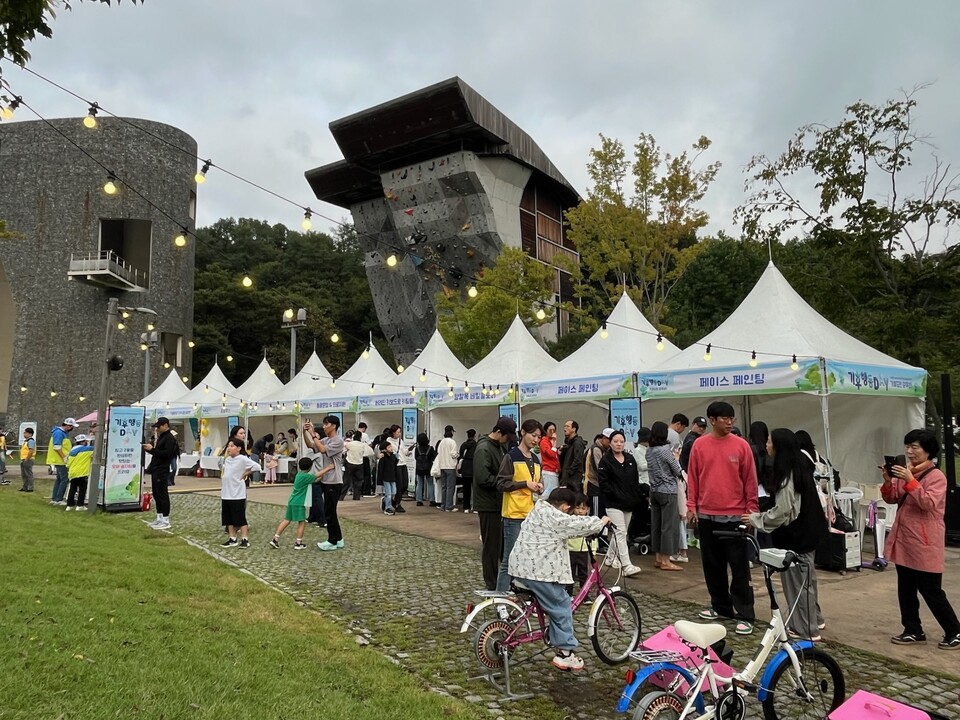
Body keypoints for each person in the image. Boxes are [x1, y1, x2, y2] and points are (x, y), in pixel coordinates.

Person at [508, 486, 608, 671]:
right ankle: (565, 654)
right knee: (561, 604)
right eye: (570, 511)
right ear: (564, 507)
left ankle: (553, 634)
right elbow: (576, 524)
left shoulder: (538, 510)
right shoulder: (556, 518)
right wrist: (601, 522)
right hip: (537, 572)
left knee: (551, 602)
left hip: (519, 567)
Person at [743, 428, 828, 641]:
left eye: (770, 441)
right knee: (807, 582)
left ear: (779, 446)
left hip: (797, 537)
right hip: (809, 533)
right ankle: (813, 619)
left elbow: (783, 510)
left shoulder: (787, 474)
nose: (767, 445)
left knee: (797, 584)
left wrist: (756, 519)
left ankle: (805, 629)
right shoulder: (800, 464)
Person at [882, 428, 960, 650]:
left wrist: (910, 480)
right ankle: (912, 629)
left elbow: (927, 503)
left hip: (925, 541)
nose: (909, 451)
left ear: (928, 451)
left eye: (915, 447)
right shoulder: (906, 471)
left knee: (931, 590)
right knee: (905, 588)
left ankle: (955, 630)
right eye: (907, 447)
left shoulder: (937, 477)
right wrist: (888, 482)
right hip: (904, 539)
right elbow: (892, 498)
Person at [686, 401, 759, 634]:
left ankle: (745, 613)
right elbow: (693, 478)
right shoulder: (699, 445)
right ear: (712, 420)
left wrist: (751, 509)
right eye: (725, 418)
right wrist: (691, 506)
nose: (729, 422)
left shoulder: (741, 446)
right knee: (712, 565)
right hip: (707, 515)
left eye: (732, 419)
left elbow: (750, 479)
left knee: (739, 567)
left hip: (735, 515)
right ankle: (720, 606)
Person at [495, 418, 544, 592]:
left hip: (530, 515)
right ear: (522, 432)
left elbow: (539, 482)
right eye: (533, 435)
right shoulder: (511, 456)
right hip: (513, 514)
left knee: (525, 558)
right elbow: (501, 484)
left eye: (538, 437)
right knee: (509, 558)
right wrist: (524, 484)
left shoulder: (536, 459)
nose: (535, 439)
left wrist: (539, 487)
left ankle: (515, 595)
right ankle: (500, 597)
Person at [472, 417, 514, 590]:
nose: (508, 441)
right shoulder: (483, 449)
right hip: (488, 504)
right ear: (498, 432)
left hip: (498, 503)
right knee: (491, 546)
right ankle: (492, 584)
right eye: (507, 437)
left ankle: (501, 581)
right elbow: (483, 478)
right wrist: (503, 483)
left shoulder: (499, 446)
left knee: (501, 545)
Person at [597, 429, 643, 576]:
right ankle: (626, 566)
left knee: (620, 533)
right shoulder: (606, 461)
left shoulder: (630, 459)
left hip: (628, 502)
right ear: (610, 443)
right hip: (613, 503)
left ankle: (610, 558)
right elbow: (604, 483)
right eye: (615, 441)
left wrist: (635, 496)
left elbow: (635, 480)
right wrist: (615, 494)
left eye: (621, 442)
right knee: (621, 532)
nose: (618, 444)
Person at [646, 421, 685, 572]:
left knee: (656, 525)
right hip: (668, 491)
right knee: (668, 526)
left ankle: (657, 558)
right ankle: (666, 561)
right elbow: (677, 470)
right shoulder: (665, 450)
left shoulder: (649, 451)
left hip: (654, 490)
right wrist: (676, 457)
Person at [269, 457, 331, 550]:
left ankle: (275, 538)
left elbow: (314, 479)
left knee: (286, 520)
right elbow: (316, 475)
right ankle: (298, 543)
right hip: (299, 502)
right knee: (301, 522)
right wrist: (328, 468)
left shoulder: (299, 475)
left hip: (292, 501)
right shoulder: (306, 476)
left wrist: (321, 476)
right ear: (310, 467)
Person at [304, 416, 346, 551]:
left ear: (334, 426)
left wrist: (313, 435)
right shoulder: (326, 439)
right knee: (330, 511)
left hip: (334, 480)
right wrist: (305, 432)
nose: (324, 426)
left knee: (329, 512)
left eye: (326, 424)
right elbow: (312, 446)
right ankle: (338, 539)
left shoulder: (338, 441)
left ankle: (332, 540)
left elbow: (323, 450)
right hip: (326, 479)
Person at [219, 438, 260, 549]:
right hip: (226, 492)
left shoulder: (242, 459)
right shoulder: (227, 460)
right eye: (228, 446)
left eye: (232, 446)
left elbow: (257, 466)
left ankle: (244, 539)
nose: (229, 448)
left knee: (240, 517)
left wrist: (247, 472)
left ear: (238, 448)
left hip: (237, 493)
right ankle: (232, 538)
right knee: (228, 518)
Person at [144, 417, 179, 530]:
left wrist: (153, 450)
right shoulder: (162, 437)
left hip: (162, 470)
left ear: (165, 425)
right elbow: (158, 453)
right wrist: (149, 449)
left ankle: (166, 519)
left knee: (162, 494)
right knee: (156, 494)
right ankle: (159, 517)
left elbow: (167, 454)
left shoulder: (169, 438)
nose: (157, 429)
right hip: (156, 468)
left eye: (159, 427)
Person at [567, 493, 598, 590]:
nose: (580, 511)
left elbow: (593, 537)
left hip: (583, 551)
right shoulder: (569, 520)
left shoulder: (589, 522)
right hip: (570, 551)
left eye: (583, 508)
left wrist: (593, 551)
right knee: (569, 575)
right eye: (577, 508)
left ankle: (585, 594)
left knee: (583, 574)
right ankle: (568, 594)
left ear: (587, 509)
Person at [47, 417, 78, 505]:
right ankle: (58, 499)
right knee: (64, 479)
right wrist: (64, 457)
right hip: (60, 460)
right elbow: (57, 447)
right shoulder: (59, 433)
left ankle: (55, 498)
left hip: (59, 459)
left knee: (60, 479)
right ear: (68, 426)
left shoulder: (61, 432)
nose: (72, 429)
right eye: (72, 427)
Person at [584, 429, 612, 517]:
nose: (610, 444)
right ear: (603, 438)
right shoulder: (596, 449)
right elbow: (600, 468)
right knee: (596, 515)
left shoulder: (603, 449)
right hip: (594, 485)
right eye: (609, 441)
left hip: (599, 486)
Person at [65, 434, 94, 510]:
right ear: (83, 442)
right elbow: (96, 450)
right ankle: (80, 505)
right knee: (82, 490)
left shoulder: (72, 450)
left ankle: (69, 505)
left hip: (72, 473)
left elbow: (68, 463)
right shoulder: (88, 449)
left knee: (72, 489)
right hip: (82, 473)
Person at [558, 419, 587, 491]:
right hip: (567, 479)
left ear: (574, 429)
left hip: (573, 480)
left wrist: (569, 472)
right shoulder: (569, 444)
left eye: (568, 426)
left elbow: (578, 459)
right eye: (564, 426)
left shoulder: (578, 443)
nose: (565, 428)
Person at [437, 425, 459, 512]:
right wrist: (457, 454)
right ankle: (449, 506)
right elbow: (453, 454)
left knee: (444, 487)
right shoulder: (452, 442)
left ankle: (443, 505)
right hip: (450, 466)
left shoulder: (441, 442)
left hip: (442, 466)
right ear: (451, 432)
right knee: (450, 487)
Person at [377, 436, 399, 516]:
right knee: (388, 493)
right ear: (385, 449)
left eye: (391, 446)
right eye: (389, 447)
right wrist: (379, 480)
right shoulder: (383, 458)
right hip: (386, 478)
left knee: (394, 492)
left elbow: (396, 465)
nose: (391, 448)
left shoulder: (393, 457)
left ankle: (385, 500)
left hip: (393, 478)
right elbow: (380, 469)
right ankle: (387, 507)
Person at [413, 433, 436, 506]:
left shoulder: (417, 449)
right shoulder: (430, 448)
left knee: (419, 484)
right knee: (430, 484)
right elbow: (433, 458)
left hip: (419, 469)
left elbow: (416, 458)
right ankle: (432, 500)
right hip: (428, 468)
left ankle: (419, 500)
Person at [343, 431, 367, 500]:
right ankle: (356, 497)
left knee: (346, 481)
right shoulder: (363, 445)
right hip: (359, 464)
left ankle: (341, 496)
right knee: (358, 482)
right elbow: (368, 452)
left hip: (350, 463)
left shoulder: (349, 444)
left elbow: (343, 451)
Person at [458, 429, 477, 512]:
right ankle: (475, 507)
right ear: (474, 435)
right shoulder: (476, 445)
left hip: (465, 468)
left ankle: (466, 507)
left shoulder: (464, 445)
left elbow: (460, 456)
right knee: (475, 489)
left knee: (466, 489)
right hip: (474, 467)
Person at [539, 421, 560, 496]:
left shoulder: (550, 442)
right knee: (549, 493)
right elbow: (550, 454)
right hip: (549, 471)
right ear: (545, 431)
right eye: (550, 430)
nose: (552, 432)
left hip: (553, 471)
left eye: (554, 430)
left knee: (553, 493)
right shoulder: (544, 442)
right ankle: (539, 505)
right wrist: (554, 445)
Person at [19, 427, 36, 493]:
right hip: (23, 459)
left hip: (28, 460)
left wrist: (27, 459)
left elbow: (31, 451)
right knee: (24, 474)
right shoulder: (25, 442)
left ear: (30, 434)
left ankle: (30, 487)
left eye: (25, 433)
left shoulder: (30, 441)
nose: (24, 434)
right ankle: (25, 487)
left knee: (28, 474)